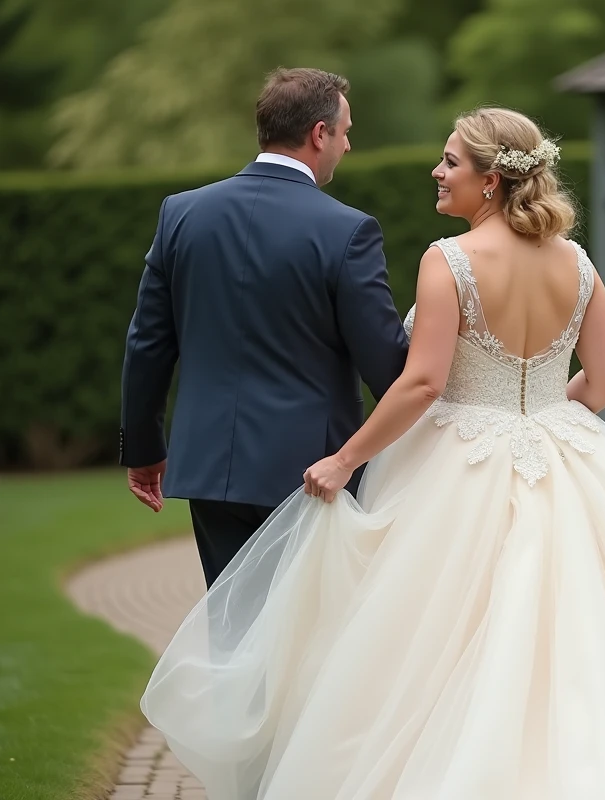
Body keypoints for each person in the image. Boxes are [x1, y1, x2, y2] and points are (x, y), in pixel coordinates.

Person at [139, 106, 605, 800]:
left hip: (457, 465)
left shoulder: (450, 260)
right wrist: (537, 416)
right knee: (591, 633)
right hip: (568, 455)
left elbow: (423, 382)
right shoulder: (579, 263)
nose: (437, 172)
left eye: (450, 162)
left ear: (490, 180)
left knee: (435, 641)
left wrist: (345, 458)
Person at [118, 68, 409, 589]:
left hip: (209, 468)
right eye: (345, 131)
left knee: (234, 634)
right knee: (308, 640)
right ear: (319, 134)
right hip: (310, 474)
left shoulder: (181, 214)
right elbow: (387, 364)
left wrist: (143, 451)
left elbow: (147, 344)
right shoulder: (347, 230)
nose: (347, 144)